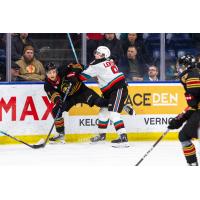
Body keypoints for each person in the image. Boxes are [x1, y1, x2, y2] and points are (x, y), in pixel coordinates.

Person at [79, 46, 130, 147]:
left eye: (99, 54)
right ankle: (102, 136)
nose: (96, 55)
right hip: (110, 91)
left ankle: (123, 137)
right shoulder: (108, 61)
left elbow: (82, 77)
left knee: (113, 114)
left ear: (104, 56)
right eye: (96, 53)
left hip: (117, 89)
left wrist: (77, 70)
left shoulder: (96, 65)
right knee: (103, 112)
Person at [168, 55, 200, 166]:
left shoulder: (191, 75)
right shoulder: (195, 73)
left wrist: (182, 118)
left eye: (180, 65)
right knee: (184, 135)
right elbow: (195, 106)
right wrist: (181, 119)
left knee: (183, 136)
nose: (178, 68)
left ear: (186, 66)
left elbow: (195, 99)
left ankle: (192, 164)